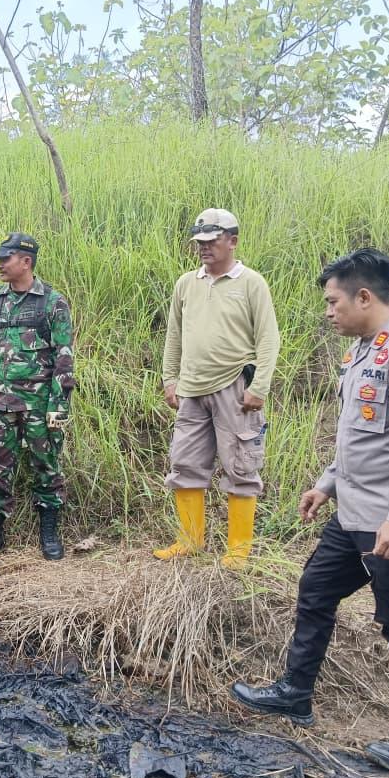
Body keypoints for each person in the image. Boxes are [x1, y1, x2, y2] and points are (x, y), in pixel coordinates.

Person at [230, 247, 389, 772]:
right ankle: (295, 692)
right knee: (315, 590)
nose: (328, 311)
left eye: (334, 302)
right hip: (354, 511)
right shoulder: (363, 350)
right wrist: (327, 484)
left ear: (363, 296)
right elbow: (360, 434)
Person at [156, 209, 280, 568]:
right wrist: (170, 378)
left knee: (240, 466)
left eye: (212, 242)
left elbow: (268, 339)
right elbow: (174, 335)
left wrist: (259, 387)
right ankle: (190, 541)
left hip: (235, 387)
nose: (204, 248)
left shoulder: (251, 283)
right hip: (192, 389)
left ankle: (238, 549)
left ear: (233, 241)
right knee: (184, 463)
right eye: (200, 243)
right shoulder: (187, 283)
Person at [0, 232, 75, 561]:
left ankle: (49, 532)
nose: (0, 264)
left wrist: (59, 405)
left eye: (6, 258)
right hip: (1, 403)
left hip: (40, 405)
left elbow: (64, 356)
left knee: (46, 466)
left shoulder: (51, 302)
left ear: (26, 261)